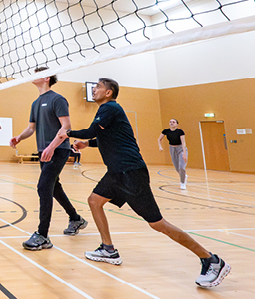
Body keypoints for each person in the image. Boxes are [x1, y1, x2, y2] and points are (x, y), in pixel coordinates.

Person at [58, 78, 230, 288]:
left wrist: (66, 133)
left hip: (131, 172)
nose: (94, 89)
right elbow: (105, 137)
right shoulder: (106, 111)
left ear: (109, 92)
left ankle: (211, 259)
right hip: (117, 173)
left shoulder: (110, 108)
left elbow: (92, 131)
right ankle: (108, 249)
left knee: (157, 223)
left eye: (98, 87)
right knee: (94, 201)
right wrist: (87, 143)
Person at [9, 67, 87, 250]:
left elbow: (66, 127)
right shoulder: (36, 103)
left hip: (58, 150)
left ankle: (42, 235)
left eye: (36, 73)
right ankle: (75, 219)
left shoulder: (57, 99)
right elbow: (31, 128)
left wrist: (52, 147)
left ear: (46, 77)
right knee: (54, 187)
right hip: (44, 151)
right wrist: (19, 137)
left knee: (43, 187)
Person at [158, 118, 188, 189]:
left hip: (180, 148)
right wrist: (160, 146)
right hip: (172, 148)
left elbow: (183, 143)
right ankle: (184, 176)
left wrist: (184, 153)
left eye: (173, 122)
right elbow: (159, 139)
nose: (171, 123)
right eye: (170, 122)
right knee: (177, 167)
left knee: (181, 166)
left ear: (177, 124)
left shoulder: (180, 131)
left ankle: (182, 183)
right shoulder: (166, 131)